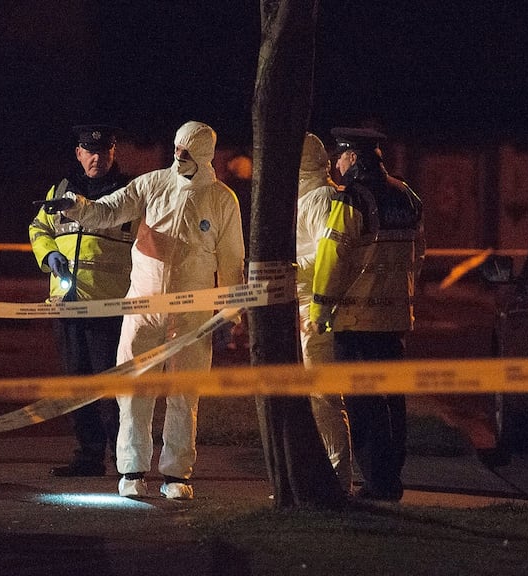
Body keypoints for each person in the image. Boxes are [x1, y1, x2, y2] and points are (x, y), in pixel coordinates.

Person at [42, 120, 246, 500]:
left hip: (192, 315)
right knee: (132, 390)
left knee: (184, 394)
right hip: (143, 305)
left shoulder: (221, 200)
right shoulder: (153, 184)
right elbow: (108, 211)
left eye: (187, 151)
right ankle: (132, 469)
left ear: (203, 155)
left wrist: (230, 314)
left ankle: (177, 475)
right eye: (177, 148)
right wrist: (77, 207)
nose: (179, 156)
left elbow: (232, 261)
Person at [310, 127, 424, 501]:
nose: (336, 165)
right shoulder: (406, 195)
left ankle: (378, 484)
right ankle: (392, 475)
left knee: (364, 405)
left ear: (354, 158)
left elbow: (333, 255)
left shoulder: (354, 199)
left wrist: (320, 307)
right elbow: (418, 254)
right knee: (392, 400)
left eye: (340, 157)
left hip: (357, 321)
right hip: (395, 320)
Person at [29, 124, 135, 477]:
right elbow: (38, 228)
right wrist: (48, 256)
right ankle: (89, 455)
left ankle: (125, 459)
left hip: (110, 305)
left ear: (113, 154)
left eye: (103, 151)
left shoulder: (127, 194)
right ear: (78, 153)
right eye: (90, 151)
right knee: (77, 383)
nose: (96, 157)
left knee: (111, 386)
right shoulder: (61, 190)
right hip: (67, 303)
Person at [296, 132, 354, 495]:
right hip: (304, 304)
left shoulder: (320, 198)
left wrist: (289, 268)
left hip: (315, 308)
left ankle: (336, 479)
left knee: (324, 396)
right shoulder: (308, 197)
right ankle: (319, 479)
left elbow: (327, 256)